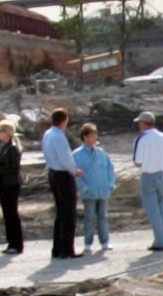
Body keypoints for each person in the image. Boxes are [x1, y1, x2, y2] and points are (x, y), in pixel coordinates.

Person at [132, 111, 163, 250]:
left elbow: (137, 162)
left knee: (153, 210)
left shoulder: (142, 139)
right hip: (162, 175)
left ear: (144, 124)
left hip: (148, 175)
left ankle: (160, 240)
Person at [41, 107, 78, 259]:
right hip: (63, 175)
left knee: (60, 212)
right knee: (68, 213)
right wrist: (75, 170)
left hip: (53, 173)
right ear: (65, 121)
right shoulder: (59, 136)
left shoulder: (47, 134)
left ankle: (57, 248)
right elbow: (65, 159)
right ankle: (66, 249)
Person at [74, 123, 115, 252]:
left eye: (95, 134)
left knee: (103, 216)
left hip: (103, 191)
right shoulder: (77, 155)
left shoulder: (101, 153)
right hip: (89, 192)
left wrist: (110, 185)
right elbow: (75, 174)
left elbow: (110, 169)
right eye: (92, 135)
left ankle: (105, 242)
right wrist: (83, 187)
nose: (95, 137)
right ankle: (88, 243)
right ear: (85, 137)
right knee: (89, 217)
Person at [0, 117, 25, 253]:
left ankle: (16, 244)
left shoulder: (13, 148)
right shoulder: (5, 147)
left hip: (10, 184)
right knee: (7, 214)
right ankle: (11, 242)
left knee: (12, 213)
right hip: (4, 184)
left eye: (1, 131)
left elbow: (13, 168)